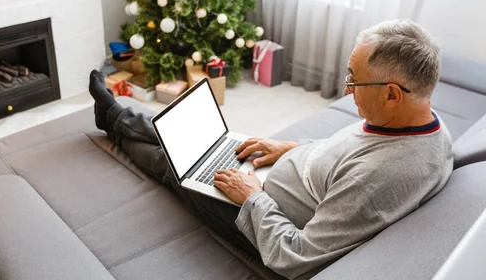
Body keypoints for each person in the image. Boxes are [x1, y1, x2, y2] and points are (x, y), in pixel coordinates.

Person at [88, 20, 453, 280]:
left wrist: (252, 199)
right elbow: (346, 152)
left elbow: (297, 258)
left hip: (259, 220)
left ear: (391, 93)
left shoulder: (377, 180)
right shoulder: (419, 120)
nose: (347, 89)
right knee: (209, 144)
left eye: (354, 80)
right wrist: (292, 147)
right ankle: (121, 118)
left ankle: (116, 125)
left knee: (181, 167)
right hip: (269, 181)